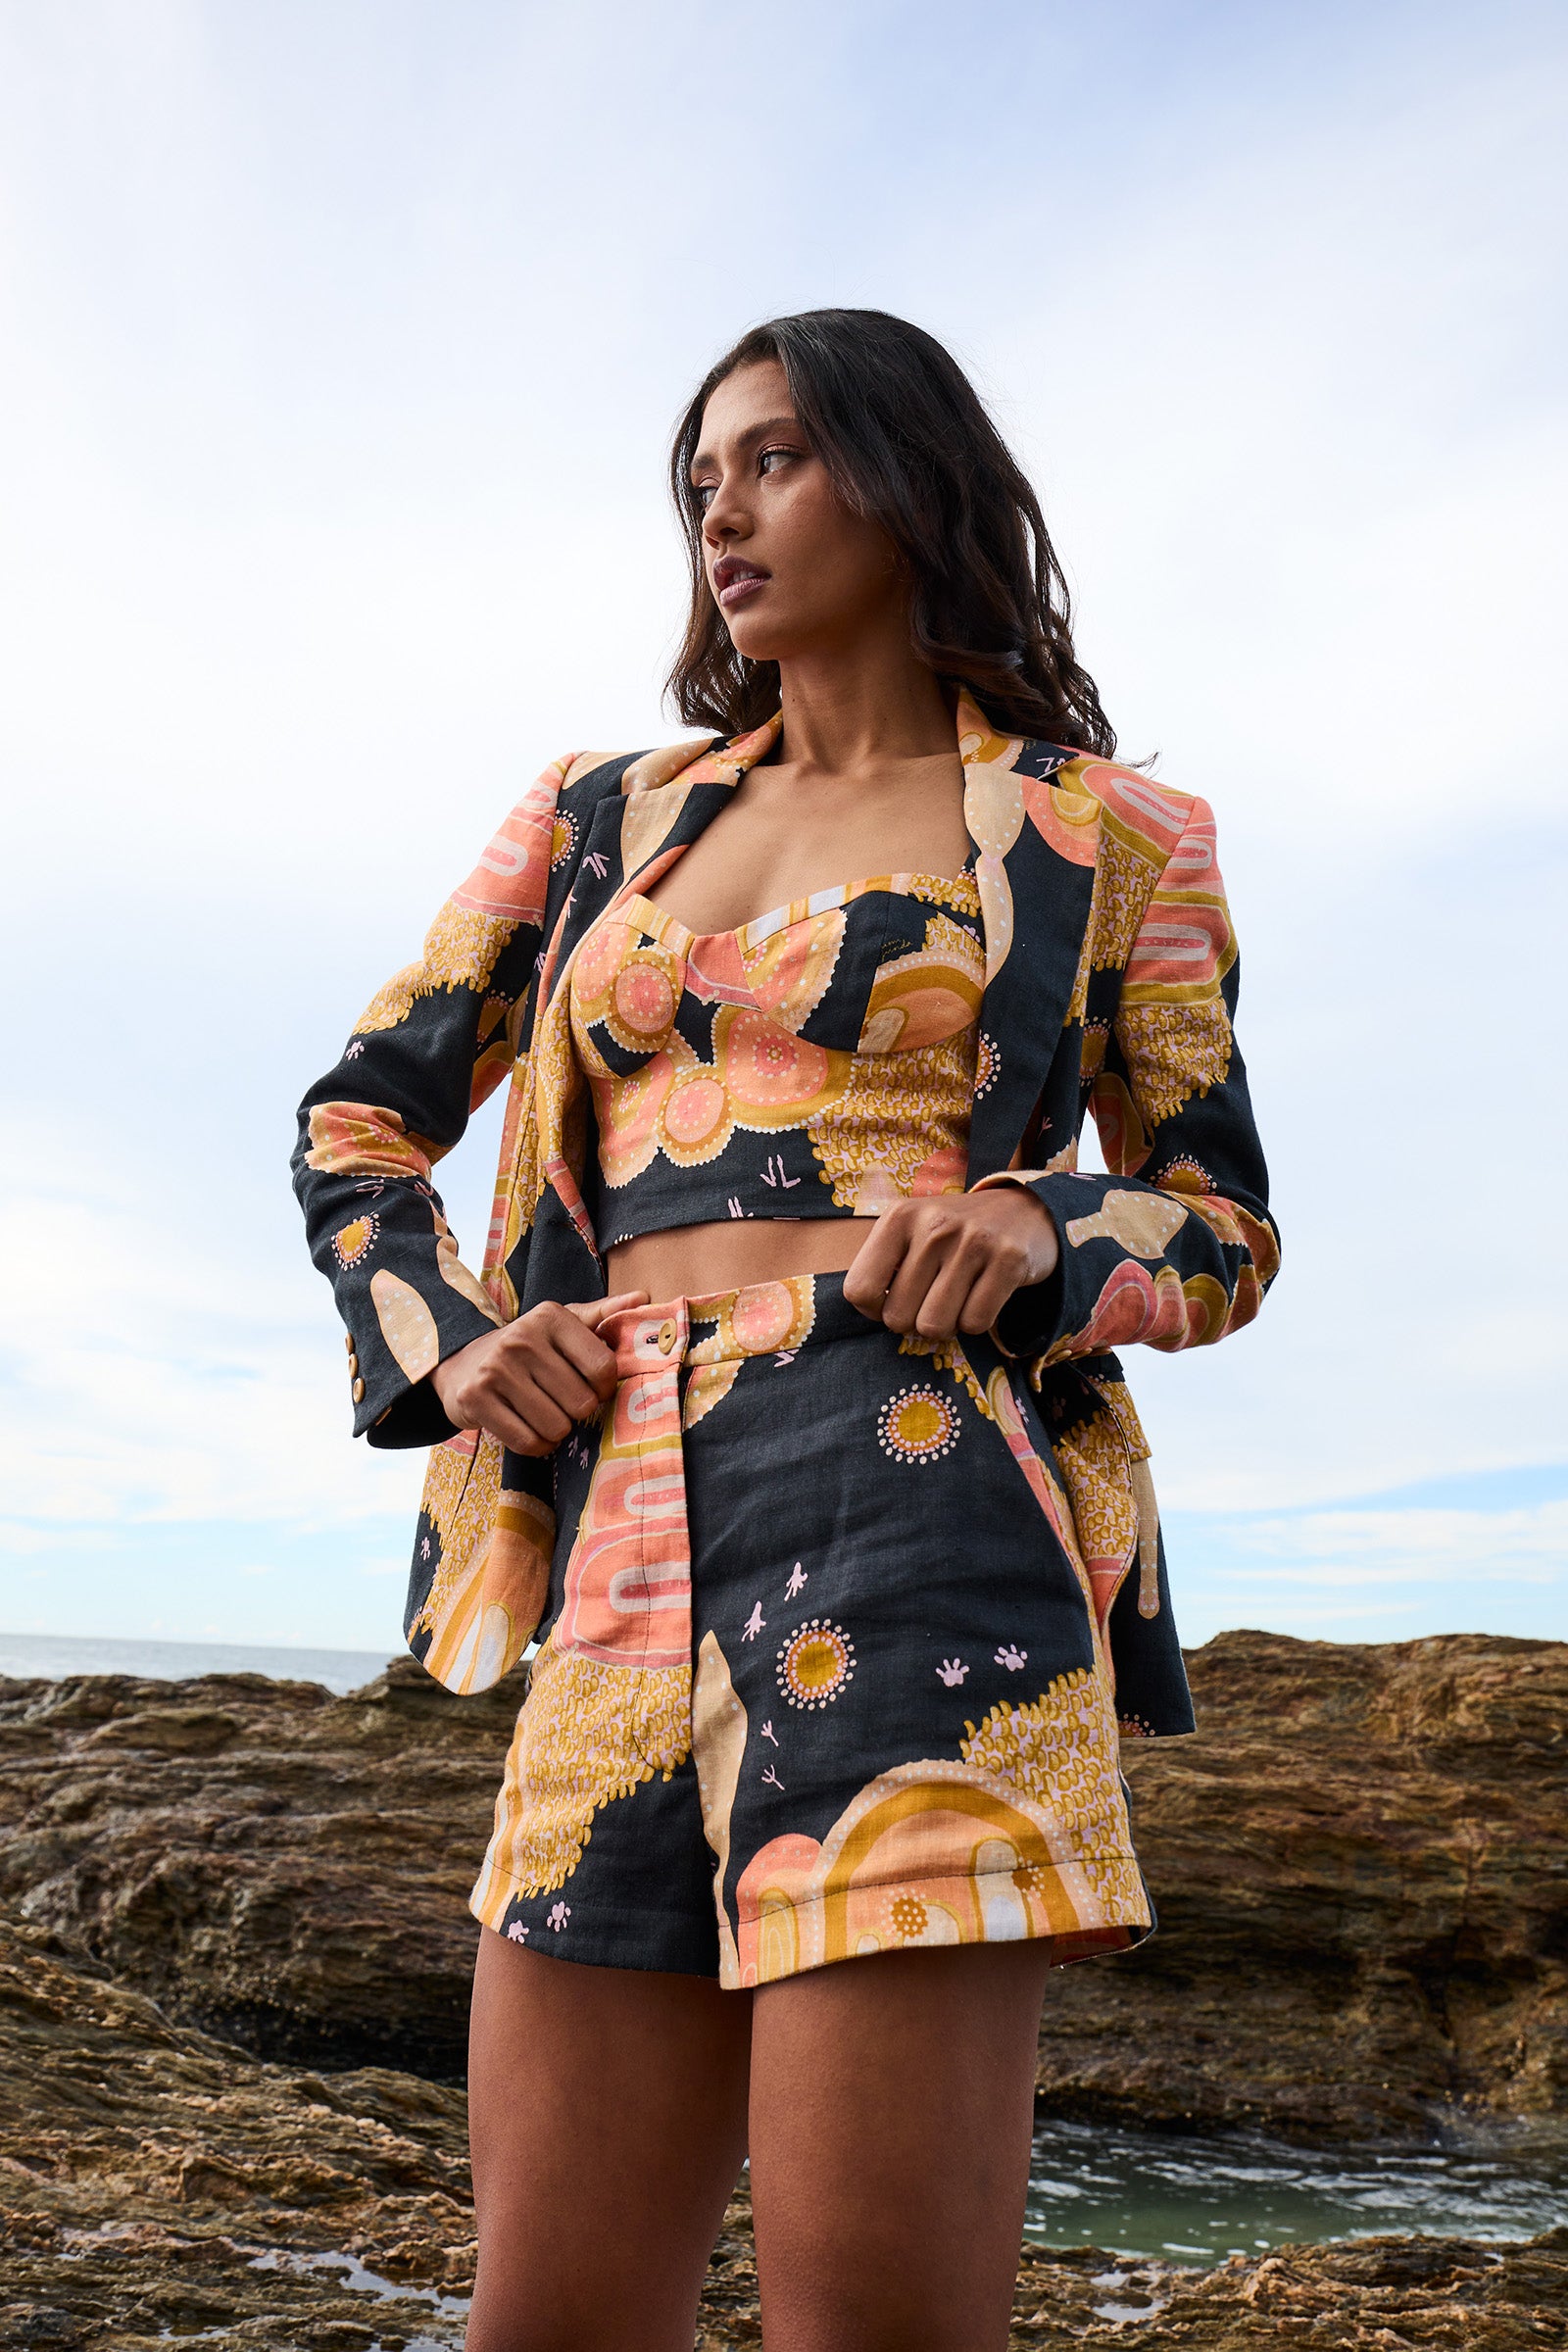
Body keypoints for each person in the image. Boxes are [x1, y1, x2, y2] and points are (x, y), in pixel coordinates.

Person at [293, 308, 1280, 2352]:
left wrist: (1035, 1220)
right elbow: (356, 1117)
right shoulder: (590, 821)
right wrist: (458, 1343)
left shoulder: (1108, 839)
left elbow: (1218, 1227)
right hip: (610, 1512)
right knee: (544, 2319)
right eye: (697, 480)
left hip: (917, 1501)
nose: (719, 512)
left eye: (770, 460)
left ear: (906, 480)